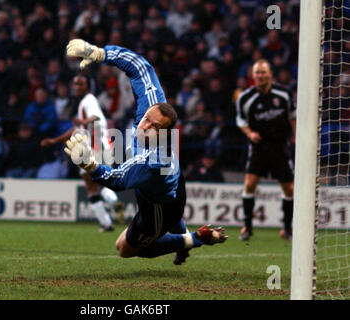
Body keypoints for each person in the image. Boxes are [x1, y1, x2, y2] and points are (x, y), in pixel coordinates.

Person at [63, 39, 227, 264]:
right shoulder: (154, 107)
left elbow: (117, 179)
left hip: (158, 207)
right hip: (171, 185)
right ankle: (184, 236)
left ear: (164, 134)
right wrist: (101, 53)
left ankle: (195, 239)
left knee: (126, 248)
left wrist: (89, 164)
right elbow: (141, 68)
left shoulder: (154, 161)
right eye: (147, 118)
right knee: (168, 215)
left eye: (154, 127)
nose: (145, 125)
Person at [41, 74, 125, 230]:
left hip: (93, 147)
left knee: (91, 185)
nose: (77, 87)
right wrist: (55, 140)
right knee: (102, 181)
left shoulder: (89, 100)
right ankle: (112, 205)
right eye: (75, 84)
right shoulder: (83, 104)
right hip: (105, 145)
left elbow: (96, 117)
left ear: (87, 86)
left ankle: (107, 220)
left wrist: (84, 122)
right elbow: (76, 129)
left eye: (80, 84)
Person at [236, 59, 296, 241]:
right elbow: (240, 121)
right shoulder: (245, 98)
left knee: (288, 188)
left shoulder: (284, 95)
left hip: (280, 146)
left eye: (263, 72)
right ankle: (247, 226)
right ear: (252, 76)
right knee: (249, 184)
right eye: (257, 73)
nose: (260, 76)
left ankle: (286, 228)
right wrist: (250, 133)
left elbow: (293, 117)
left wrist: (296, 137)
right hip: (259, 147)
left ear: (271, 74)